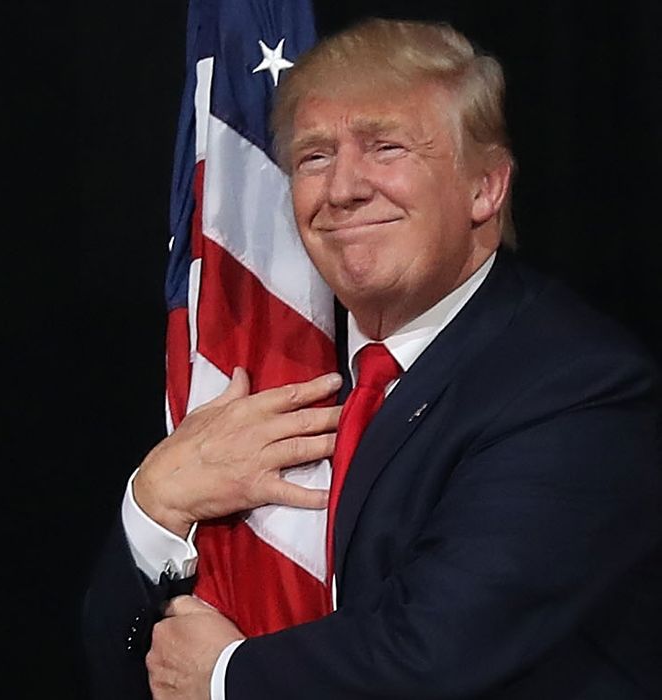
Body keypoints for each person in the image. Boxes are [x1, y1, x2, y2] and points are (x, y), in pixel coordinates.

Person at [84, 19, 662, 700]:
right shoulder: (275, 359)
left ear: (485, 188)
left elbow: (436, 654)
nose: (342, 189)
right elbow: (119, 667)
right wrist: (154, 504)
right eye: (314, 157)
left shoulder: (576, 386)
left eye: (386, 147)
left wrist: (223, 676)